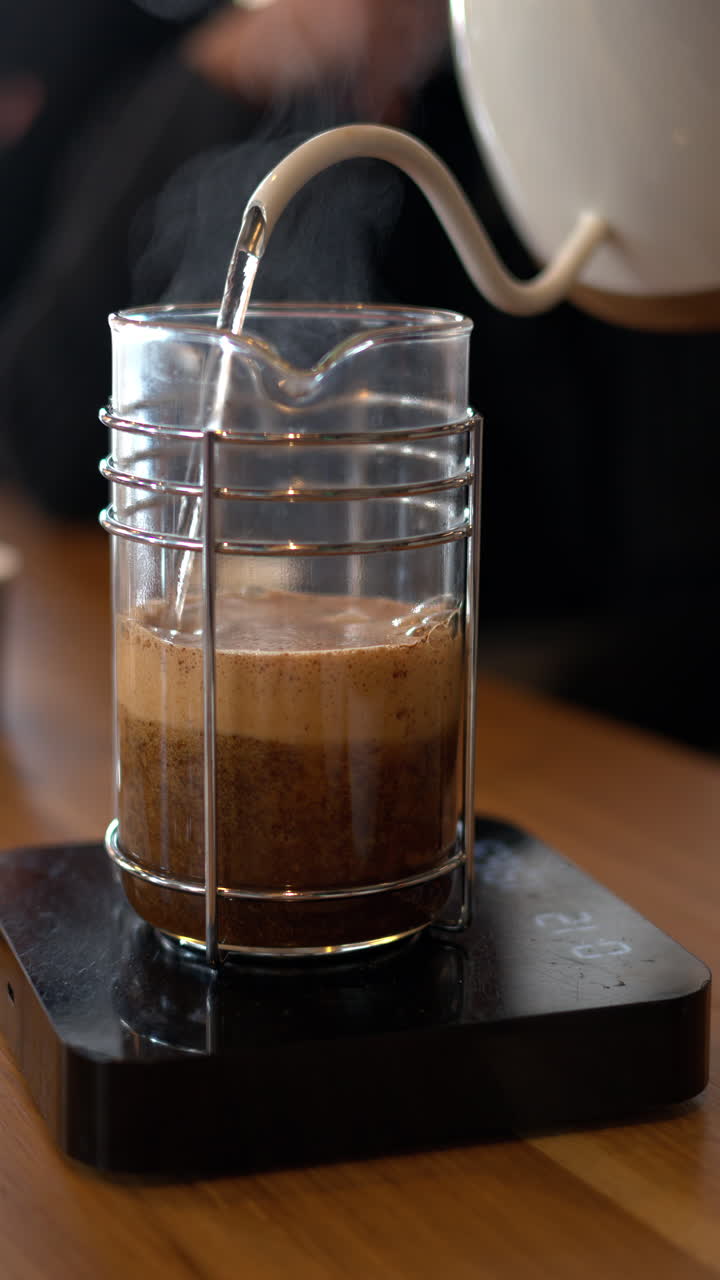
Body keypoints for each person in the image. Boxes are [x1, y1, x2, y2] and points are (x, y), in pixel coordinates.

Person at [1, 0, 718, 749]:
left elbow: (677, 581)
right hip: (277, 686)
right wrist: (222, 76)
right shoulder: (215, 80)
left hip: (531, 707)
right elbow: (44, 430)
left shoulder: (610, 121)